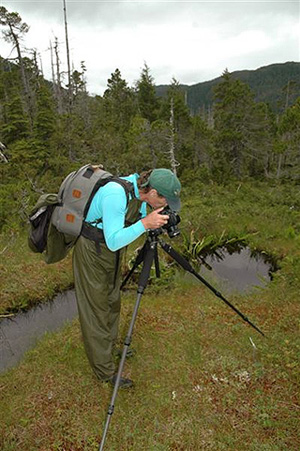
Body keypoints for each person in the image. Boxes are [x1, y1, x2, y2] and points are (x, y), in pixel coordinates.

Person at [72, 168, 181, 388]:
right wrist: (145, 224)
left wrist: (152, 222)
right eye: (164, 201)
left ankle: (109, 347)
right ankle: (105, 371)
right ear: (153, 192)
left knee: (112, 301)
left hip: (110, 253)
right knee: (96, 309)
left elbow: (120, 234)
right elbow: (113, 240)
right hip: (93, 252)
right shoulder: (115, 194)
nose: (164, 206)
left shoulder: (140, 196)